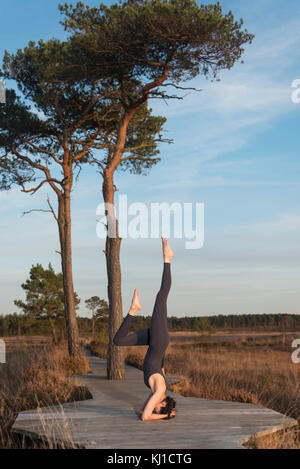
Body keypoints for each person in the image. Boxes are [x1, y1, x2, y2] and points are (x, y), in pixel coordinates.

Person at [113, 237, 176, 421]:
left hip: (155, 342)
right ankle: (168, 259)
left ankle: (133, 311)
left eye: (155, 408)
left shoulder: (158, 391)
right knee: (161, 296)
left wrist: (167, 414)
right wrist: (162, 417)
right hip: (158, 340)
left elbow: (142, 412)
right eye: (158, 408)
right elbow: (146, 417)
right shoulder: (161, 390)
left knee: (118, 341)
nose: (154, 407)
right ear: (162, 403)